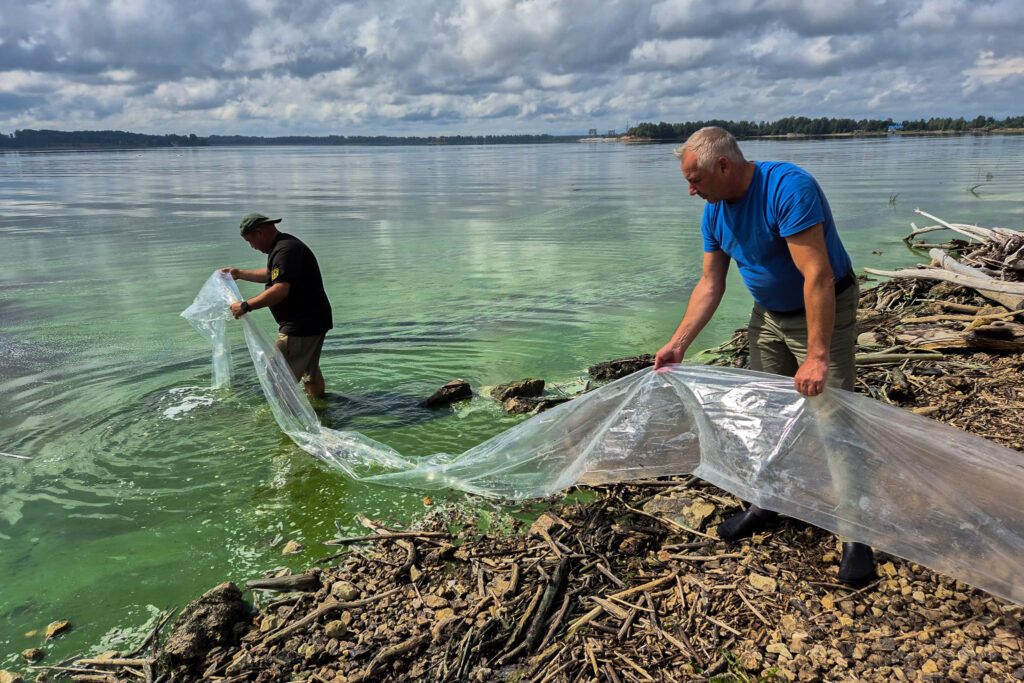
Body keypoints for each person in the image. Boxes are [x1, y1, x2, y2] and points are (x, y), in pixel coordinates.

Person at [653, 127, 875, 585]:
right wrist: (678, 344)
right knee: (765, 412)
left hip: (823, 306)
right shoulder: (714, 213)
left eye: (695, 179)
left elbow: (817, 274)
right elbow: (711, 284)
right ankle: (768, 503)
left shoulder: (788, 188)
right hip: (768, 315)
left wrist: (815, 357)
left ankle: (856, 534)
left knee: (834, 420)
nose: (690, 190)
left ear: (724, 166)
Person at [221, 213, 333, 399]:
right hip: (314, 321)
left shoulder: (285, 250)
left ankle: (293, 423)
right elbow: (271, 275)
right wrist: (239, 273)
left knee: (275, 376)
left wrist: (245, 306)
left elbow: (280, 289)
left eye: (251, 241)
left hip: (301, 326)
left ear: (259, 233)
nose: (252, 247)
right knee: (310, 374)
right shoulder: (284, 246)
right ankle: (320, 409)